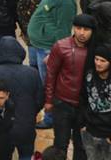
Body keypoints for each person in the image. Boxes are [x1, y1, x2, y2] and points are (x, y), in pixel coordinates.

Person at [28, 0, 77, 130]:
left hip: (47, 49)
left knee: (49, 85)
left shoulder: (66, 1)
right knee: (40, 83)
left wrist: (55, 54)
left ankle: (50, 119)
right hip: (38, 45)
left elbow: (64, 31)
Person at [0, 36, 44, 160]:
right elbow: (40, 100)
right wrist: (30, 113)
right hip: (26, 127)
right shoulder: (32, 72)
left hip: (2, 128)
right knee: (26, 155)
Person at [43, 13, 94, 156]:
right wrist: (48, 100)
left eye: (86, 29)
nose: (82, 33)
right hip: (62, 103)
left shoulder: (95, 50)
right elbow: (51, 74)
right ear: (73, 28)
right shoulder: (61, 46)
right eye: (78, 28)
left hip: (84, 106)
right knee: (60, 145)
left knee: (81, 146)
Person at [81, 45, 111, 158]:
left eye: (103, 61)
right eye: (96, 59)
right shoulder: (89, 75)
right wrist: (82, 123)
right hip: (90, 130)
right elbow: (83, 99)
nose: (98, 63)